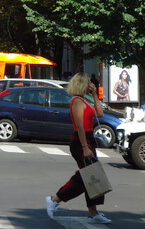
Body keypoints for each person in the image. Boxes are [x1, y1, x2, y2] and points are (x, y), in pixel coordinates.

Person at [46, 73, 111, 224]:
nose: (91, 85)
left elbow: (100, 113)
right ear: (82, 84)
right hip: (81, 141)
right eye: (89, 83)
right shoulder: (76, 101)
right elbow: (80, 127)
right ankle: (54, 200)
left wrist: (95, 94)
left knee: (92, 176)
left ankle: (93, 213)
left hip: (89, 140)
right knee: (86, 176)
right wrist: (84, 147)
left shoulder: (84, 100)